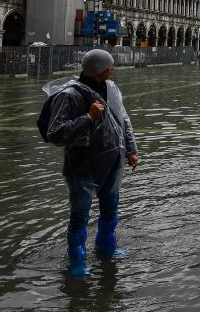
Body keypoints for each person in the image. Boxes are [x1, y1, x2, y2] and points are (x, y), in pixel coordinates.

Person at [45, 49, 138, 278]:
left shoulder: (113, 88)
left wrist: (132, 150)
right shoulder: (70, 95)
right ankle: (76, 260)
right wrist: (88, 117)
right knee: (80, 216)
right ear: (97, 69)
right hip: (83, 167)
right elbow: (54, 133)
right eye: (109, 65)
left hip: (113, 161)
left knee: (110, 211)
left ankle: (107, 248)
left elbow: (123, 120)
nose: (113, 68)